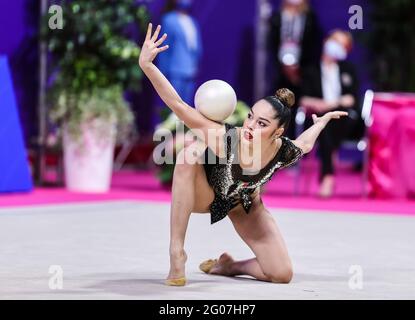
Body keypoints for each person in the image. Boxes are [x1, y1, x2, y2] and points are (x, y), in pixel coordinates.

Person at [139, 23, 348, 286]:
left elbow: (304, 144)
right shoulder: (226, 138)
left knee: (282, 274)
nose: (249, 126)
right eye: (251, 117)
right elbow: (178, 105)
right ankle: (177, 252)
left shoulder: (282, 150)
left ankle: (229, 266)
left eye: (262, 124)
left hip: (246, 205)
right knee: (187, 156)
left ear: (278, 131)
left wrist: (319, 124)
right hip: (207, 195)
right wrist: (148, 65)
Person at [300, 29, 364, 198]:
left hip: (345, 119)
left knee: (329, 122)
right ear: (326, 41)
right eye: (335, 41)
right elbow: (302, 98)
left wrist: (334, 104)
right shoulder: (310, 69)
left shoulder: (348, 69)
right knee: (324, 123)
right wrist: (317, 104)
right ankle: (328, 173)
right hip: (316, 117)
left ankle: (327, 176)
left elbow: (352, 98)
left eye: (343, 45)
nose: (337, 46)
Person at [267, 0, 321, 139]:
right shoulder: (277, 16)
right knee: (279, 105)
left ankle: (297, 142)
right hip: (280, 70)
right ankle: (278, 140)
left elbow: (313, 44)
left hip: (302, 71)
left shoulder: (310, 17)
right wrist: (284, 67)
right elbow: (271, 43)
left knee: (298, 105)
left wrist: (298, 69)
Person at [155, 0, 203, 131]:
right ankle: (166, 136)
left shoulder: (192, 21)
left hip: (191, 70)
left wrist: (195, 64)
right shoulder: (169, 19)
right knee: (171, 106)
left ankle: (182, 136)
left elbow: (196, 45)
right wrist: (162, 72)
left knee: (187, 107)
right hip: (175, 70)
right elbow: (164, 46)